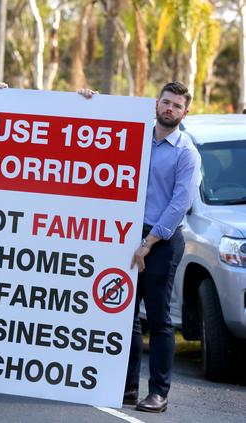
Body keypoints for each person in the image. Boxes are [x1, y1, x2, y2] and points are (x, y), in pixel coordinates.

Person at [123, 82, 199, 413]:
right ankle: (125, 388)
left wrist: (148, 243)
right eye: (165, 102)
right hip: (127, 234)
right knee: (124, 314)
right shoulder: (136, 139)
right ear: (156, 103)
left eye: (176, 105)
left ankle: (158, 393)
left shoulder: (186, 152)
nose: (169, 108)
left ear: (185, 112)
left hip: (163, 240)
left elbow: (179, 203)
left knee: (158, 316)